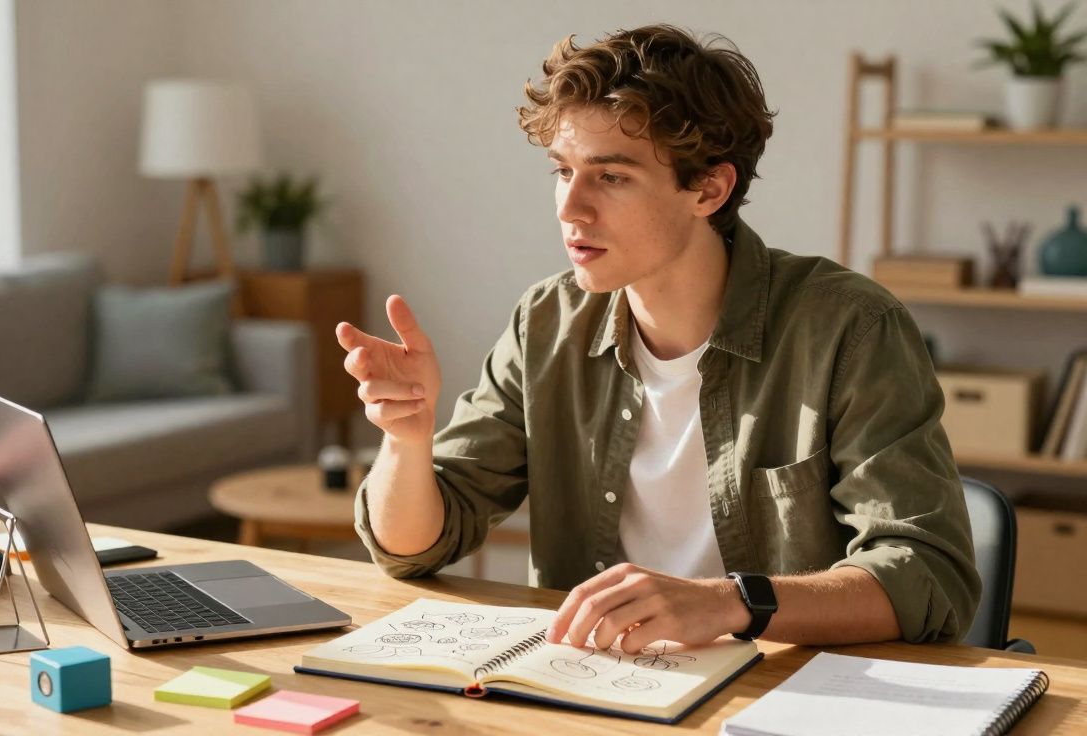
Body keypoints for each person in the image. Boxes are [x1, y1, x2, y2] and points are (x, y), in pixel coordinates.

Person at [334, 24, 979, 651]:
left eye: (611, 177)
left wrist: (729, 603)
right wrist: (406, 440)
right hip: (597, 688)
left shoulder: (849, 329)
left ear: (709, 188)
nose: (570, 207)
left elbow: (928, 576)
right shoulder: (546, 324)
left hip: (780, 696)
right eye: (563, 171)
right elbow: (411, 548)